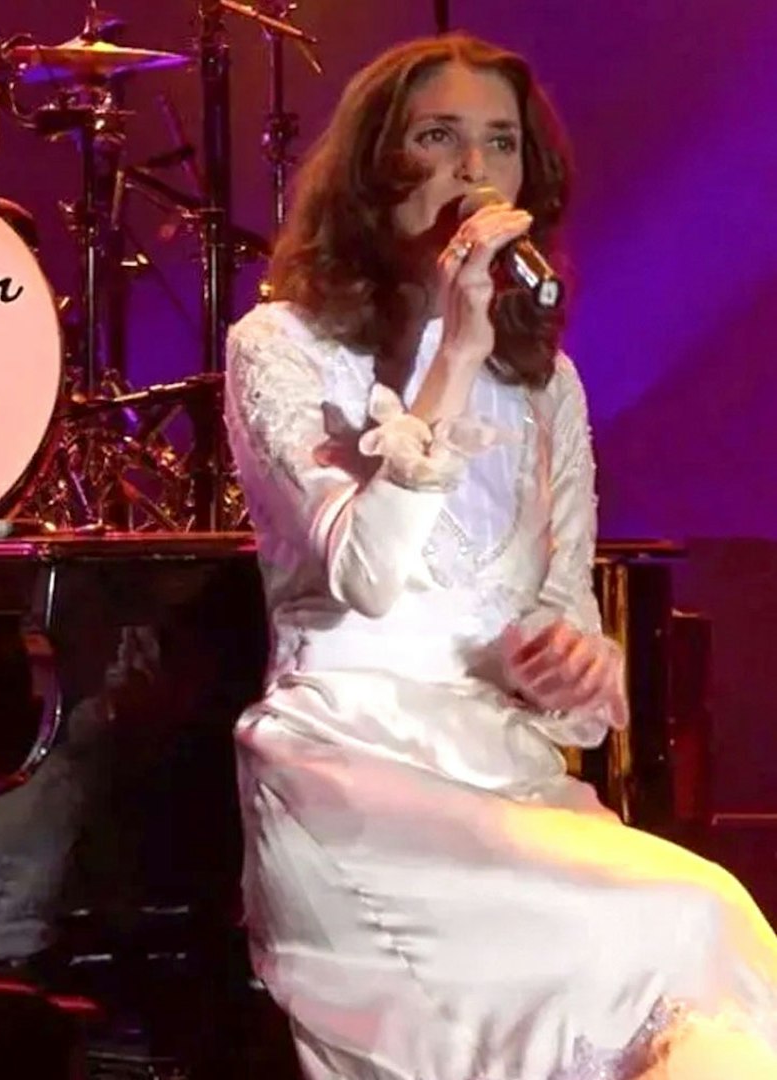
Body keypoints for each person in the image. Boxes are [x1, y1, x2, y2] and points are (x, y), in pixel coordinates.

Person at [224, 32, 777, 1079]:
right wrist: (451, 346)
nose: (473, 171)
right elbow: (363, 575)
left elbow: (566, 664)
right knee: (691, 920)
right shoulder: (278, 347)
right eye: (438, 137)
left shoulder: (549, 389)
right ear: (376, 167)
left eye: (500, 143)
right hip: (352, 785)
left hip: (507, 784)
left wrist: (580, 667)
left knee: (716, 946)